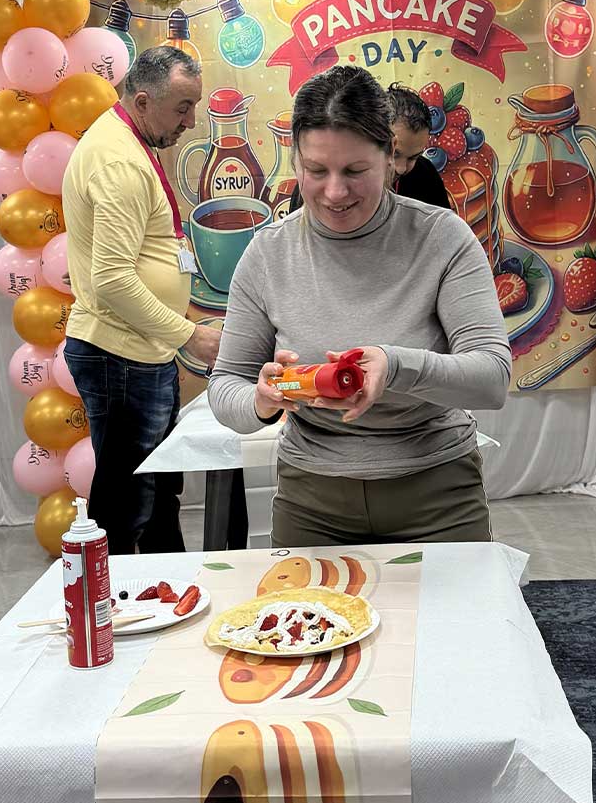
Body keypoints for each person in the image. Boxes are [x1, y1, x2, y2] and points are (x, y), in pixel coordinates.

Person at [208, 65, 510, 545]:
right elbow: (226, 385)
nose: (335, 192)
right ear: (295, 161)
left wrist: (395, 366)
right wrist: (261, 400)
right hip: (313, 502)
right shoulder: (268, 254)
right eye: (316, 171)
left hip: (438, 494)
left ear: (391, 158)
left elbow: (492, 378)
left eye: (354, 171)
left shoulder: (442, 239)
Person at [59, 46, 220, 555]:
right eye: (183, 108)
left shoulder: (127, 140)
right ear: (144, 101)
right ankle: (112, 598)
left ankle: (167, 589)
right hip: (121, 354)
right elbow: (111, 280)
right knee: (128, 504)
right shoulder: (118, 161)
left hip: (138, 350)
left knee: (158, 493)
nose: (190, 122)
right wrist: (190, 334)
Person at [287, 80, 451, 214]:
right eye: (395, 153)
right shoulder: (315, 185)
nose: (401, 168)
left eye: (413, 157)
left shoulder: (426, 176)